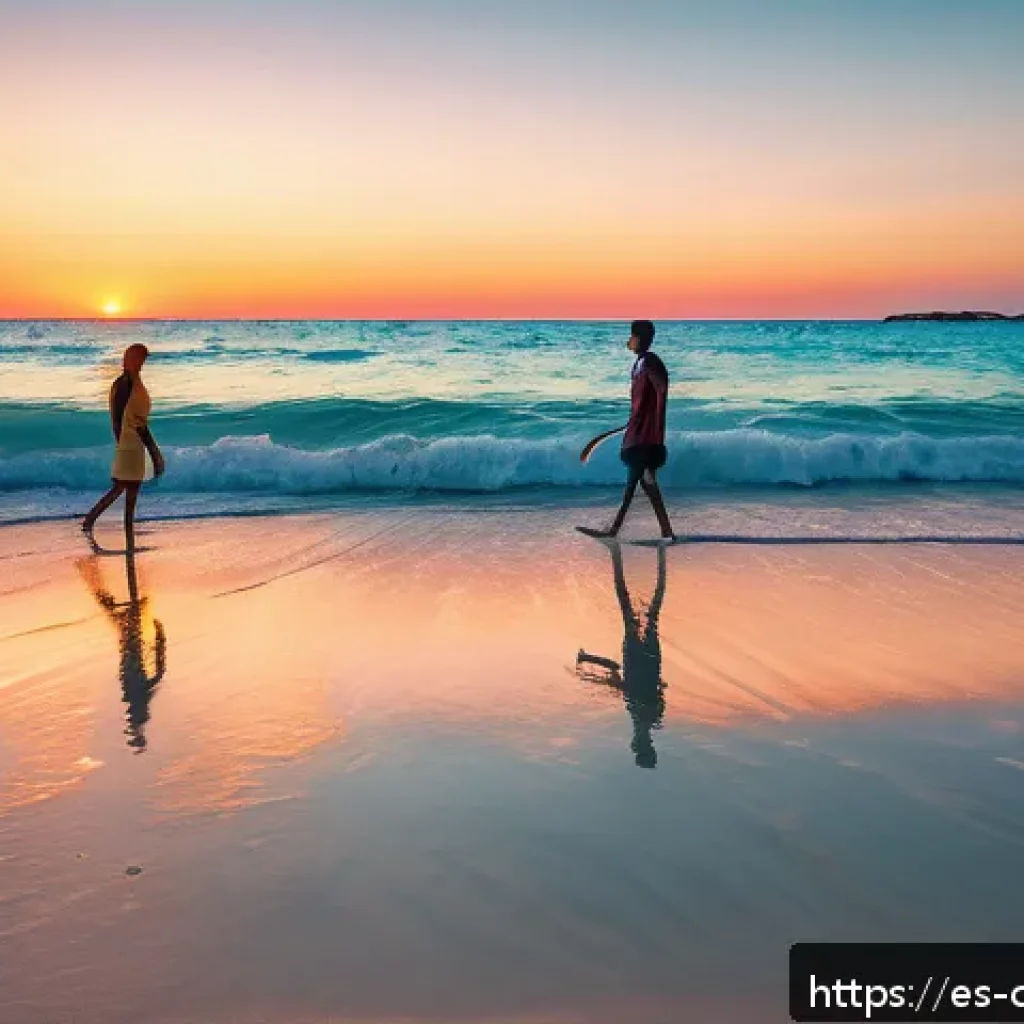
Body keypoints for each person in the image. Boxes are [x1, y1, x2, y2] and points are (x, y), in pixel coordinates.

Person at [579, 320, 675, 541]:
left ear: (640, 339)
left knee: (634, 481)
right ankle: (667, 531)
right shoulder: (640, 364)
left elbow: (661, 387)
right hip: (639, 433)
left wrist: (652, 423)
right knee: (648, 483)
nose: (628, 341)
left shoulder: (650, 362)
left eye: (632, 336)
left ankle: (614, 529)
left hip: (646, 437)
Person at [576, 541, 667, 768]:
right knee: (629, 605)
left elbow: (658, 692)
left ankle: (660, 554)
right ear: (642, 747)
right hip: (637, 660)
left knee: (652, 610)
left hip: (649, 662)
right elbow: (626, 683)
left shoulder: (653, 720)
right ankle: (619, 553)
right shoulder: (642, 719)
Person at [78, 549, 167, 752]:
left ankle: (95, 571)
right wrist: (160, 637)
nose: (129, 722)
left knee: (118, 615)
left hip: (130, 656)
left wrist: (159, 639)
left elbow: (157, 673)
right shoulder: (140, 702)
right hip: (132, 655)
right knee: (121, 615)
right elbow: (158, 673)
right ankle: (99, 571)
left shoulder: (136, 702)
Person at [82, 344, 164, 550]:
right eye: (139, 358)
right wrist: (152, 452)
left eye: (144, 359)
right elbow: (118, 419)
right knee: (123, 488)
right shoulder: (125, 383)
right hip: (130, 442)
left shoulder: (134, 381)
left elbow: (137, 420)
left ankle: (116, 529)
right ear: (130, 359)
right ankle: (92, 522)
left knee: (128, 489)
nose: (143, 362)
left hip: (134, 442)